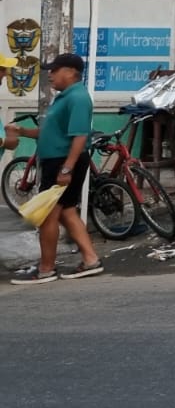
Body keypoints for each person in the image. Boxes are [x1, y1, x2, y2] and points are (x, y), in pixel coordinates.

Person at [4, 54, 102, 283]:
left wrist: (66, 169)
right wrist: (22, 131)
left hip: (62, 162)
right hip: (57, 161)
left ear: (70, 72)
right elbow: (49, 132)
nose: (50, 74)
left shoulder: (77, 97)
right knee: (67, 212)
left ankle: (46, 269)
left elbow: (80, 136)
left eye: (55, 70)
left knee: (49, 215)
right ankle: (91, 260)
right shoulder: (64, 97)